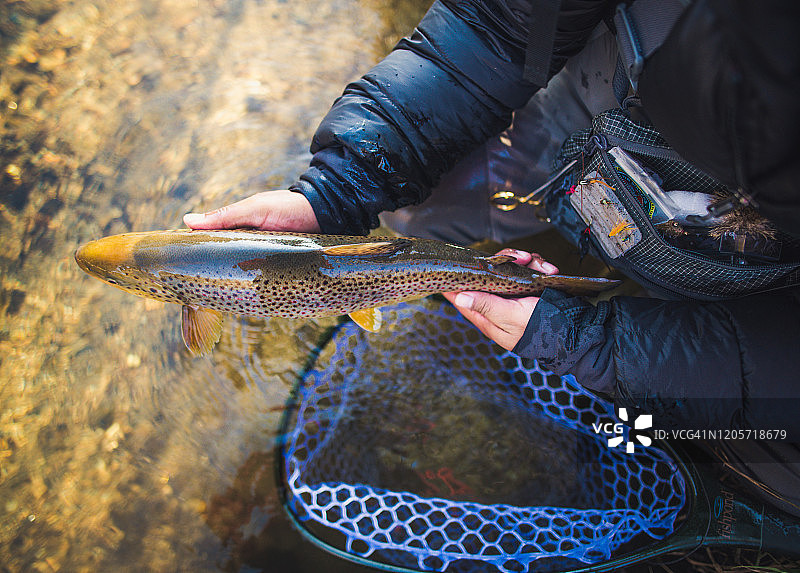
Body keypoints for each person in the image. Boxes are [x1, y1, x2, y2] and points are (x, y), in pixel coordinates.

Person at [183, 0, 800, 514]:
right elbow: (489, 26)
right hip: (605, 98)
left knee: (761, 448)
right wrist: (337, 190)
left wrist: (594, 343)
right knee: (416, 207)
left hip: (768, 280)